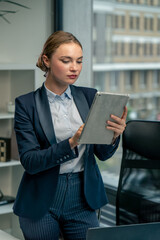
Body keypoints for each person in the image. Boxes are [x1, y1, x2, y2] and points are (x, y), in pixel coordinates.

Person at [13, 31, 127, 240]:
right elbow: (30, 161)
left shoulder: (90, 96)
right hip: (41, 198)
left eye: (79, 61)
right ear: (46, 60)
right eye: (66, 61)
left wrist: (113, 136)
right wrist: (72, 142)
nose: (74, 68)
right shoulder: (26, 104)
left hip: (82, 197)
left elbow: (102, 154)